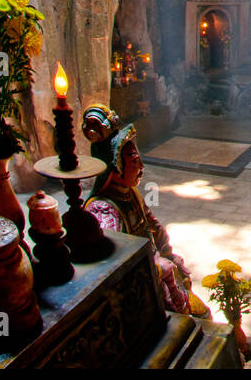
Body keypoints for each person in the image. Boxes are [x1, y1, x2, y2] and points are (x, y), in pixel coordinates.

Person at [81, 105, 209, 316]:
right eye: (133, 160)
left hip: (158, 275)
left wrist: (168, 254)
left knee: (199, 312)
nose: (141, 165)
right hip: (139, 294)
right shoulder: (104, 211)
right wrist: (158, 269)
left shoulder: (130, 194)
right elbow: (115, 270)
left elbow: (153, 229)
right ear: (115, 167)